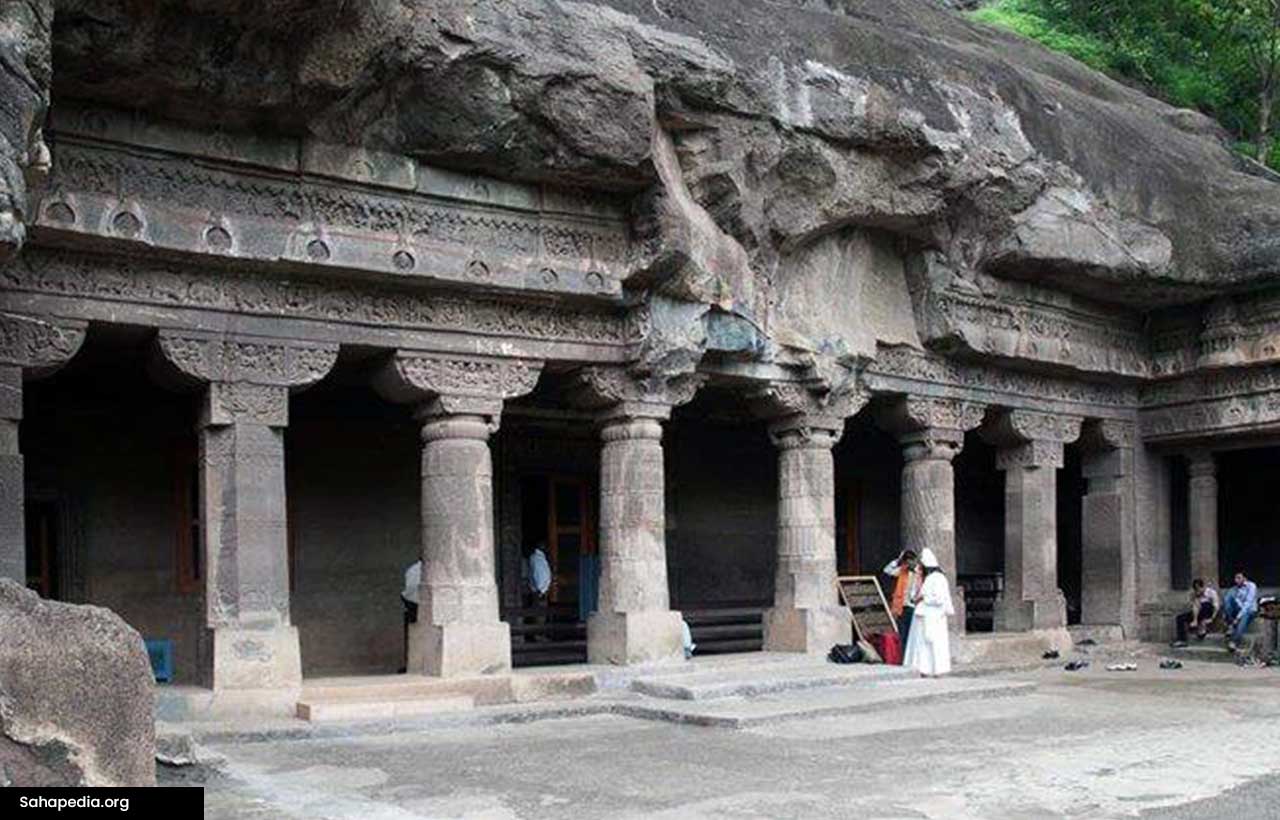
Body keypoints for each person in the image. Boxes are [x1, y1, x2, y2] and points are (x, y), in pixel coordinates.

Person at [901, 548, 955, 678]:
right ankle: (923, 668)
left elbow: (939, 599)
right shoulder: (929, 578)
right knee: (922, 644)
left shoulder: (938, 578)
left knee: (933, 643)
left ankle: (936, 670)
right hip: (925, 615)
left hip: (933, 616)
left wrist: (923, 598)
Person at [883, 549, 921, 647]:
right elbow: (887, 570)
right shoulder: (903, 570)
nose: (909, 564)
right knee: (902, 634)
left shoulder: (920, 572)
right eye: (906, 562)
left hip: (914, 606)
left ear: (915, 560)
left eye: (910, 561)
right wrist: (898, 560)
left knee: (912, 634)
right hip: (901, 606)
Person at [1171, 578, 1219, 647]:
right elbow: (1193, 606)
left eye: (1199, 589)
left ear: (1203, 587)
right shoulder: (1194, 594)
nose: (1198, 591)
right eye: (1196, 589)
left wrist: (1212, 618)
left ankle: (1201, 627)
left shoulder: (1211, 592)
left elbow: (1216, 606)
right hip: (1197, 612)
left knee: (1205, 604)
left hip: (1208, 611)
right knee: (1180, 618)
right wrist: (1196, 597)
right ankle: (1182, 640)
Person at [1222, 571, 1259, 651]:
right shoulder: (1234, 589)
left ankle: (1234, 641)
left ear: (1244, 579)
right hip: (1239, 609)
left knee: (1244, 617)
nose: (1236, 580)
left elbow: (1248, 604)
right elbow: (1230, 603)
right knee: (1228, 597)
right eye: (1235, 578)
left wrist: (1238, 617)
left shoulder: (1251, 586)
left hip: (1250, 610)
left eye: (1239, 578)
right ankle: (1230, 624)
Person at [399, 558, 422, 673]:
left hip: (413, 605)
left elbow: (408, 593)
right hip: (418, 606)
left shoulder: (412, 569)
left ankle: (411, 663)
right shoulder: (417, 569)